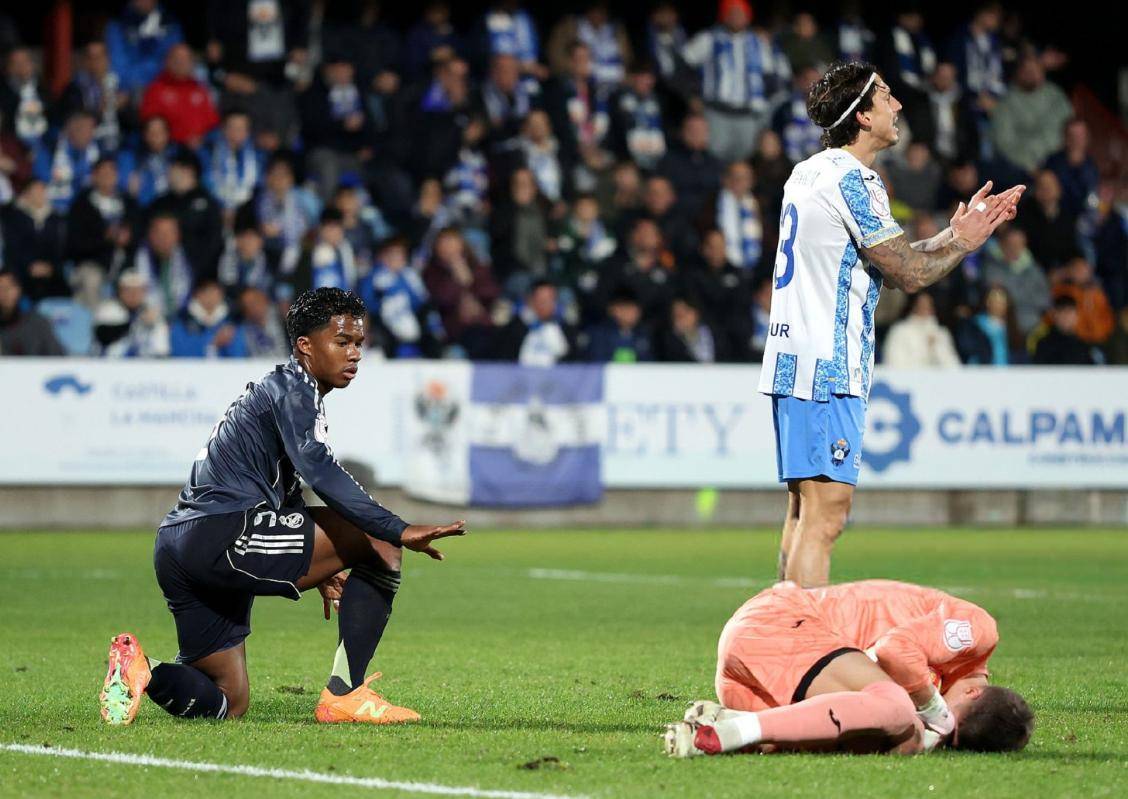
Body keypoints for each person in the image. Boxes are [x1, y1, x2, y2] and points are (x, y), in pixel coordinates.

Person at [99, 287, 467, 726]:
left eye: (359, 343)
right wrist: (396, 528)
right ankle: (345, 695)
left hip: (177, 544)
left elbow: (287, 489)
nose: (355, 354)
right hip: (225, 533)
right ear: (305, 346)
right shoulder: (296, 390)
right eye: (342, 341)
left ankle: (142, 670)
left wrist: (323, 567)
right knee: (379, 543)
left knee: (228, 701)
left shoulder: (275, 391)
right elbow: (320, 469)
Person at [758, 61, 1022, 587]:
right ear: (862, 117)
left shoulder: (809, 172)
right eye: (885, 95)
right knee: (826, 517)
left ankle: (784, 629)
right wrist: (965, 245)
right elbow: (910, 273)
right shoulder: (856, 180)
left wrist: (952, 235)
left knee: (804, 512)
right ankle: (806, 635)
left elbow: (886, 259)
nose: (897, 105)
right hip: (828, 365)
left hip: (793, 361)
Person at [664, 579, 1033, 757]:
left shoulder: (939, 681)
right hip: (776, 624)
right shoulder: (979, 631)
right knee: (898, 710)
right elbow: (893, 649)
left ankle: (731, 722)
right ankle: (733, 733)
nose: (943, 728)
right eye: (952, 721)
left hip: (757, 684)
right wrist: (936, 710)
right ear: (974, 691)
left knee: (904, 739)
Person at [882, 291, 961, 367]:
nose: (924, 309)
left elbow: (953, 365)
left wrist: (936, 347)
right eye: (921, 305)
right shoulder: (899, 330)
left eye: (928, 305)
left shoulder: (941, 333)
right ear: (913, 306)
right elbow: (893, 362)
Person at [0, 269, 64, 356]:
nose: (5, 292)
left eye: (10, 287)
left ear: (19, 290)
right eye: (1, 288)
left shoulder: (38, 323)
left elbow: (57, 355)